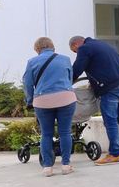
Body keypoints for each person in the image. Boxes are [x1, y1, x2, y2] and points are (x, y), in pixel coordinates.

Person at [69, 34, 119, 165]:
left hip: (109, 87)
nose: (76, 53)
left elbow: (76, 69)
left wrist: (65, 82)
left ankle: (114, 154)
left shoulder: (84, 48)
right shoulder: (102, 44)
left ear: (76, 45)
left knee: (111, 121)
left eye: (74, 51)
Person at [23, 37, 78, 177]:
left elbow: (27, 85)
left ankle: (47, 167)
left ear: (37, 49)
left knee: (46, 134)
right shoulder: (65, 59)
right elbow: (70, 79)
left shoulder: (31, 62)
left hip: (42, 101)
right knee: (65, 132)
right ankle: (66, 165)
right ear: (53, 47)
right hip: (66, 99)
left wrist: (30, 101)